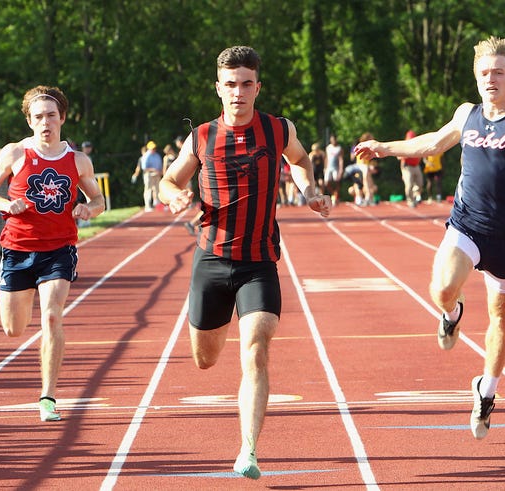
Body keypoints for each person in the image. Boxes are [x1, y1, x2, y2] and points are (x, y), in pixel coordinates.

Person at [355, 36, 505, 440]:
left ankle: (486, 389)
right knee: (443, 287)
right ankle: (452, 313)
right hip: (467, 225)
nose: (490, 79)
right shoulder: (467, 115)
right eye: (483, 73)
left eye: (498, 72)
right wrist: (384, 147)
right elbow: (433, 141)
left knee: (502, 317)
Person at [158, 45, 331, 479]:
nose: (238, 93)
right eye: (230, 85)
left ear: (258, 86)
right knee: (206, 359)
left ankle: (248, 450)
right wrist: (176, 195)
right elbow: (168, 180)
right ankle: (207, 333)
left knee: (256, 350)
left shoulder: (277, 129)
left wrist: (309, 190)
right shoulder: (200, 136)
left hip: (259, 263)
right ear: (219, 88)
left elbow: (301, 160)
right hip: (211, 260)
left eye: (246, 84)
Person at [0, 85, 105, 422]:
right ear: (30, 121)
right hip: (17, 249)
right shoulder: (15, 154)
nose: (45, 122)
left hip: (58, 250)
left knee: (51, 315)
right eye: (38, 117)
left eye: (51, 115)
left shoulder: (78, 161)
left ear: (62, 117)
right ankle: (15, 293)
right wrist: (8, 204)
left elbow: (98, 200)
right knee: (14, 330)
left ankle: (48, 396)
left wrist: (89, 210)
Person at [132, 140, 162, 211]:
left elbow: (160, 165)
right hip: (149, 175)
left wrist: (159, 171)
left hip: (157, 175)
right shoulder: (146, 156)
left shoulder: (157, 155)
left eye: (154, 148)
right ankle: (147, 205)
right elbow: (144, 168)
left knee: (157, 189)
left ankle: (157, 204)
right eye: (152, 148)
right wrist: (154, 170)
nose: (154, 149)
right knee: (148, 190)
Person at [399, 130, 423, 207]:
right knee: (409, 185)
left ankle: (416, 195)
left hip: (416, 166)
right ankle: (410, 200)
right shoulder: (404, 146)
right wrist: (402, 172)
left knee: (420, 183)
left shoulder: (417, 145)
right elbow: (400, 159)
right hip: (407, 167)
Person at [324, 134, 344, 205]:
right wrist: (325, 168)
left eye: (334, 140)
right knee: (326, 183)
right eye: (332, 139)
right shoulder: (328, 148)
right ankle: (333, 194)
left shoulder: (339, 148)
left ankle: (336, 196)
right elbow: (326, 158)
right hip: (329, 168)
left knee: (336, 182)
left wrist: (341, 170)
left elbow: (341, 160)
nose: (333, 141)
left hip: (336, 168)